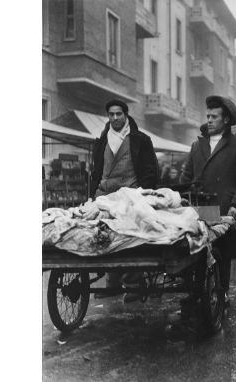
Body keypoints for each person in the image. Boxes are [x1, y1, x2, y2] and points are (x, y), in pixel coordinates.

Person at [181, 95, 236, 307]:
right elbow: (186, 177)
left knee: (221, 254)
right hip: (198, 208)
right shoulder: (198, 145)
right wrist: (181, 200)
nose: (210, 120)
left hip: (224, 209)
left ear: (226, 120)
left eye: (214, 116)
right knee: (194, 250)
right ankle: (196, 292)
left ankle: (221, 292)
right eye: (208, 116)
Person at [91, 99, 159, 300]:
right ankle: (112, 282)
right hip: (104, 195)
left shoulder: (140, 140)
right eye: (111, 114)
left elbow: (150, 170)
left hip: (131, 195)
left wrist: (142, 193)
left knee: (130, 237)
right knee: (103, 235)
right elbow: (96, 171)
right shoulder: (102, 141)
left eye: (118, 114)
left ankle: (133, 283)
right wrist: (91, 194)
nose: (114, 118)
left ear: (126, 115)